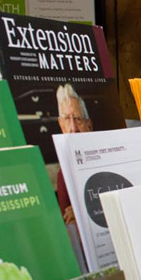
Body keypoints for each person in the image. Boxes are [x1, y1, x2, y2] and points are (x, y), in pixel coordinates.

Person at [55, 83, 93, 225]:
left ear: (89, 125)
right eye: (66, 119)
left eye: (77, 118)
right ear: (61, 124)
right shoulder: (63, 174)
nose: (73, 128)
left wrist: (80, 211)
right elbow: (67, 221)